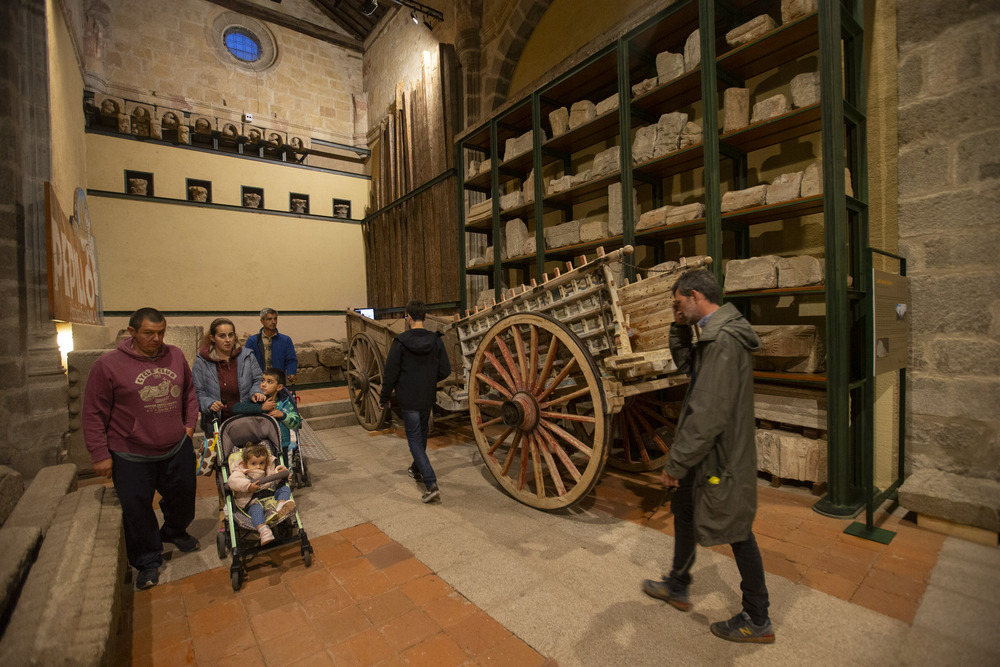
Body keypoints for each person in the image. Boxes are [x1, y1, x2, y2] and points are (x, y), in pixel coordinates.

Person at [641, 269, 774, 644]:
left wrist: (676, 463)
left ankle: (758, 616)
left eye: (679, 303)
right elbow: (690, 370)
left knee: (737, 530)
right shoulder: (713, 334)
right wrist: (679, 326)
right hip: (710, 452)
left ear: (696, 296)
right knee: (684, 510)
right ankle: (678, 584)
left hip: (720, 456)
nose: (675, 308)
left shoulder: (723, 341)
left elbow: (707, 413)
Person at [82, 307, 200, 590]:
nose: (157, 339)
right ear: (132, 332)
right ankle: (148, 560)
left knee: (184, 495)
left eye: (161, 332)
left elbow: (189, 394)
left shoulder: (175, 355)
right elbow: (93, 413)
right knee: (137, 510)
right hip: (131, 452)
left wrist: (189, 427)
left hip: (175, 446)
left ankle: (173, 530)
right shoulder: (108, 365)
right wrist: (99, 453)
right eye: (149, 333)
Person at [378, 300, 450, 503]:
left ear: (408, 317)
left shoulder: (400, 342)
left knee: (414, 441)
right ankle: (416, 469)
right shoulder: (435, 340)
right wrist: (428, 379)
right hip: (427, 397)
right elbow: (445, 369)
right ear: (425, 317)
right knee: (422, 436)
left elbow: (390, 374)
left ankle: (431, 483)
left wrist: (384, 397)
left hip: (408, 398)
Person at [192, 317, 264, 432]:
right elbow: (198, 392)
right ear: (212, 338)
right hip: (217, 423)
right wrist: (209, 403)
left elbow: (258, 379)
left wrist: (256, 391)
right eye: (222, 336)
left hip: (246, 419)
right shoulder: (202, 361)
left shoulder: (247, 355)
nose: (228, 340)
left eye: (230, 335)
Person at [226, 442, 296, 545]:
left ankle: (281, 505)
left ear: (266, 462)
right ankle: (264, 530)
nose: (258, 467)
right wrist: (248, 486)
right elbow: (233, 481)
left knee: (284, 488)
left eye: (262, 463)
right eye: (253, 463)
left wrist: (280, 471)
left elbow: (275, 479)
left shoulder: (268, 470)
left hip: (271, 498)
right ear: (245, 463)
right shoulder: (240, 472)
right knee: (256, 510)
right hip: (253, 501)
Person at [233, 367, 301, 453]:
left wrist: (283, 415)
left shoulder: (285, 402)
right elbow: (236, 408)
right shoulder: (257, 400)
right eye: (262, 380)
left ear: (279, 387)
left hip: (281, 445)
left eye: (269, 382)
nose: (263, 384)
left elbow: (297, 423)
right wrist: (261, 408)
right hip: (259, 446)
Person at [246, 308, 298, 389]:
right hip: (259, 383)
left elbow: (291, 359)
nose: (273, 322)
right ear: (262, 321)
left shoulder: (286, 340)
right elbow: (248, 362)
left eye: (275, 319)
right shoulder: (252, 341)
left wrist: (291, 372)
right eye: (269, 319)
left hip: (278, 383)